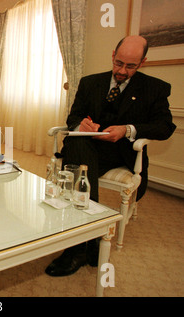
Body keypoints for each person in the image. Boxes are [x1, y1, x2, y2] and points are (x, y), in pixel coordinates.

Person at [45, 35, 176, 277]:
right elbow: (72, 118)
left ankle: (79, 244)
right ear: (113, 55)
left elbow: (165, 127)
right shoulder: (89, 83)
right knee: (77, 147)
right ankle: (90, 236)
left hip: (121, 153)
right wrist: (81, 126)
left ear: (142, 62)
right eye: (119, 63)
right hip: (88, 146)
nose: (122, 71)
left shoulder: (155, 88)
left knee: (76, 159)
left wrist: (128, 130)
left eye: (130, 66)